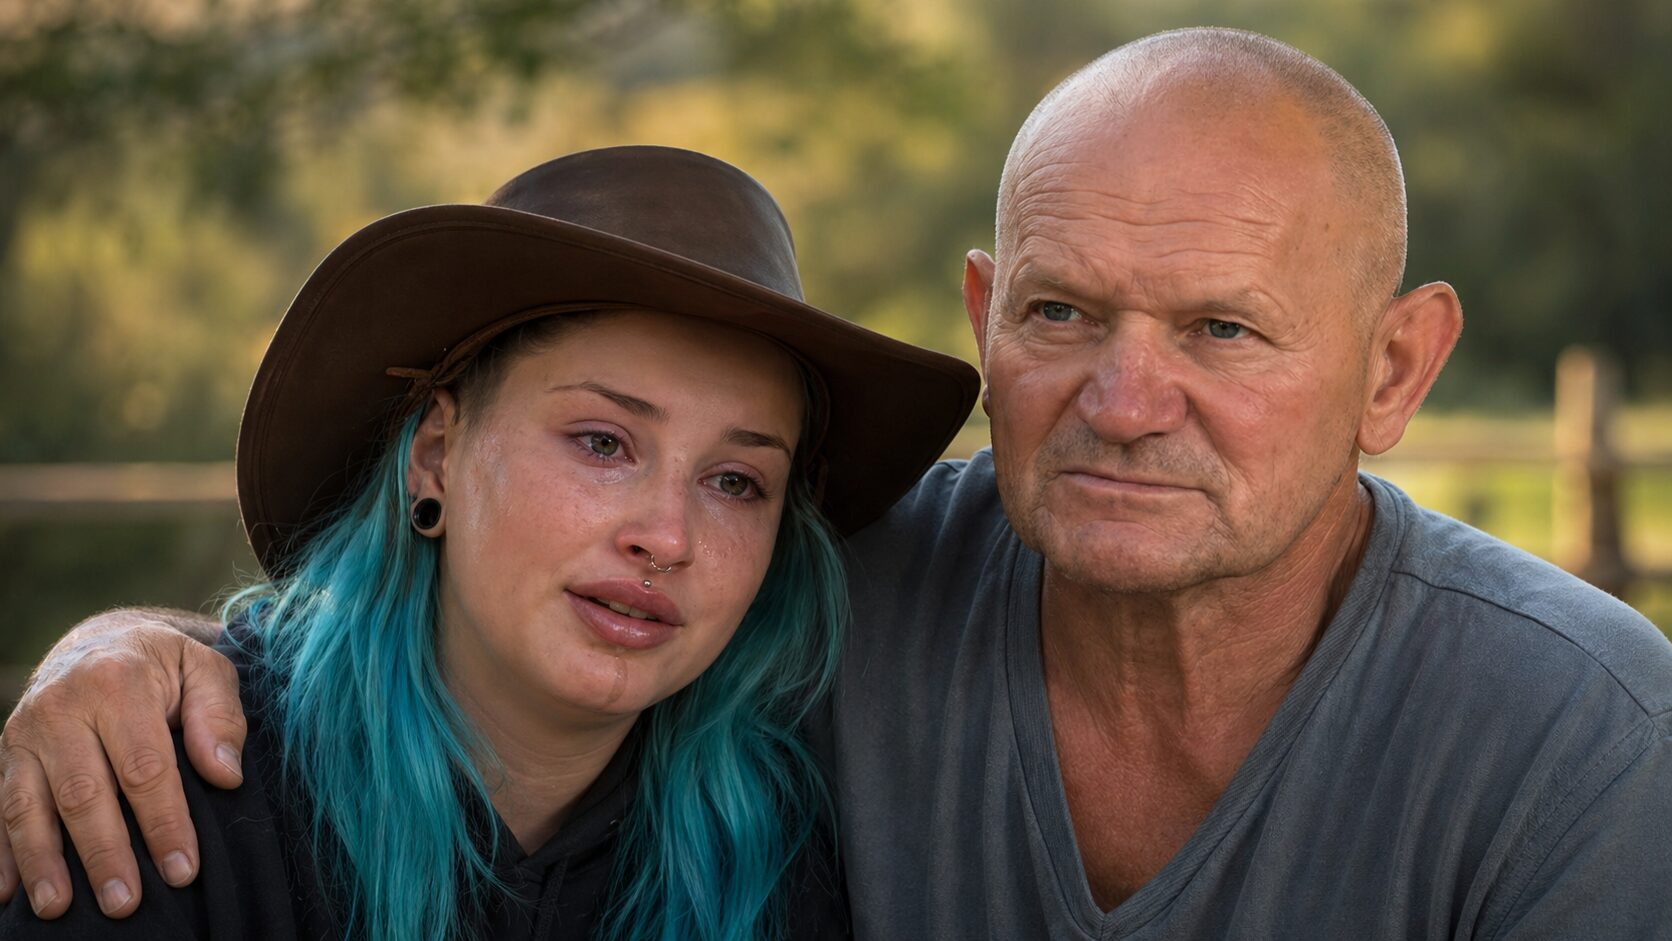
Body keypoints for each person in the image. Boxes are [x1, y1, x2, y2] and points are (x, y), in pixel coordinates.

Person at [6, 27, 1672, 940]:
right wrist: (129, 650)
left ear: (1393, 371)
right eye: (1061, 312)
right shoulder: (836, 601)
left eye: (1223, 330)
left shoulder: (1580, 745)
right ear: (980, 317)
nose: (1124, 398)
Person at [0, 145, 979, 938]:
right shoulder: (162, 791)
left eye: (735, 480)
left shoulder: (769, 857)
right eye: (602, 441)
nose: (667, 535)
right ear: (436, 453)